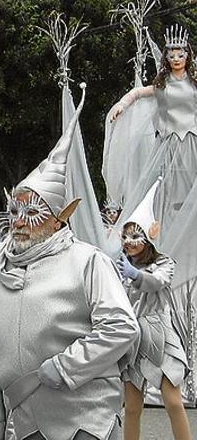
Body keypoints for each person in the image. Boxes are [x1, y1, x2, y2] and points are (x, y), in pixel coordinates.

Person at [0, 109, 137, 440]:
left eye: (33, 212)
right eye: (14, 211)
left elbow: (121, 327)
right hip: (25, 414)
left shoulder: (87, 262)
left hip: (86, 413)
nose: (20, 221)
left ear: (59, 218)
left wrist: (66, 366)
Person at [108, 24, 197, 294]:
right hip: (169, 148)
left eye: (180, 53)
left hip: (193, 143)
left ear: (187, 55)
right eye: (171, 54)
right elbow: (138, 93)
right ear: (166, 57)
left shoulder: (194, 83)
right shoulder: (162, 85)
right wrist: (122, 103)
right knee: (165, 197)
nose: (175, 58)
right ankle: (168, 247)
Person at [116, 179, 192, 440]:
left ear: (149, 236)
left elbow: (158, 282)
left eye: (136, 235)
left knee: (173, 401)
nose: (129, 241)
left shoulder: (164, 263)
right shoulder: (119, 268)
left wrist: (135, 275)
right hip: (133, 340)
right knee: (133, 407)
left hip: (161, 336)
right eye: (125, 236)